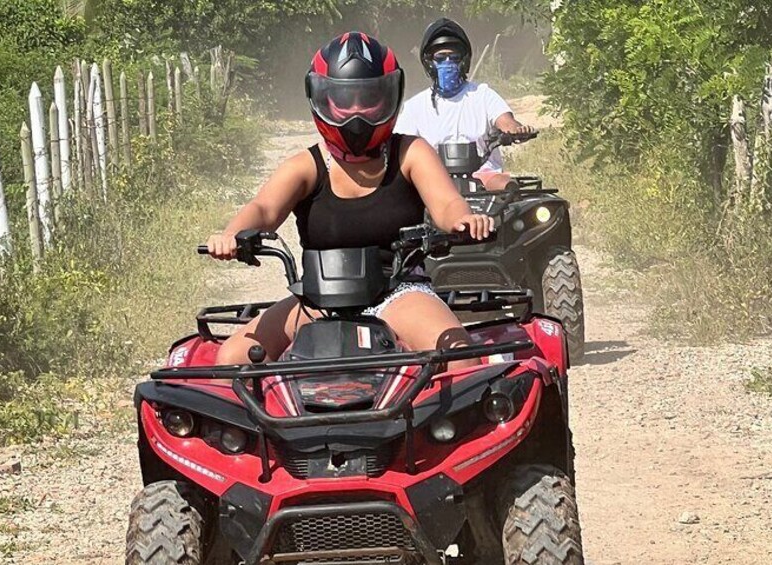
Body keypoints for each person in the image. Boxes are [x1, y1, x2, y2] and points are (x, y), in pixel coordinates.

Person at [206, 32, 493, 367]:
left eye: (368, 97)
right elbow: (263, 209)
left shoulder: (410, 152)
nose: (357, 112)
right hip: (317, 298)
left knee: (461, 360)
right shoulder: (306, 165)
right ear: (322, 99)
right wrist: (232, 234)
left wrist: (463, 219)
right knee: (231, 358)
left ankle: (443, 422)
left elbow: (446, 204)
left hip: (398, 291)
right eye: (345, 99)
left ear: (389, 96)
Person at [394, 18, 535, 191]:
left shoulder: (483, 95)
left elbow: (505, 121)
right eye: (441, 58)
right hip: (434, 180)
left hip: (484, 177)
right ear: (430, 63)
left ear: (464, 61)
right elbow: (400, 143)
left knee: (509, 188)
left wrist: (516, 130)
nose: (448, 63)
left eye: (453, 58)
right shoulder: (415, 107)